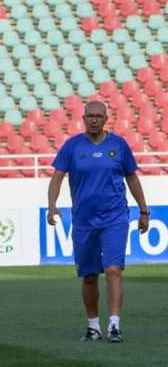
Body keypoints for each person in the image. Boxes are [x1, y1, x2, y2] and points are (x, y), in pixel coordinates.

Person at [47, 101, 149, 342]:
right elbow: (57, 178)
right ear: (83, 118)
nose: (93, 120)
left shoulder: (119, 145)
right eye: (89, 116)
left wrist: (144, 211)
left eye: (98, 116)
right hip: (83, 220)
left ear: (106, 119)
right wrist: (52, 206)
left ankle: (114, 324)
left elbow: (132, 178)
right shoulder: (72, 146)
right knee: (90, 275)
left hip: (115, 217)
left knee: (113, 269)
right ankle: (93, 326)